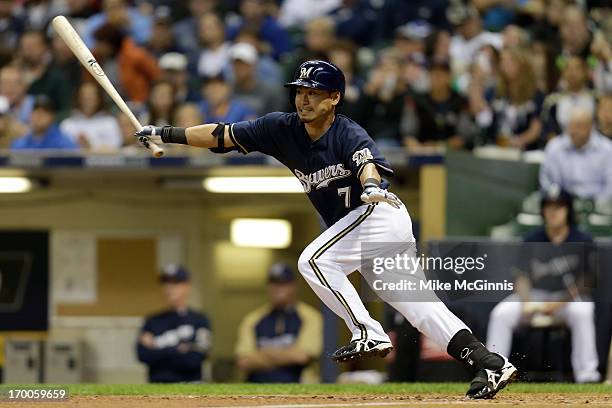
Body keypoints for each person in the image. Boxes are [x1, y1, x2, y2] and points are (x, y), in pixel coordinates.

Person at [136, 59, 517, 399]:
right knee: (420, 310)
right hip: (362, 233)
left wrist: (369, 185)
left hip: (379, 215)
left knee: (313, 261)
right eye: (299, 92)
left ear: (334, 97)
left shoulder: (347, 132)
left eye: (313, 93)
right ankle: (491, 362)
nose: (303, 99)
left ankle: (367, 330)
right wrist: (166, 133)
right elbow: (221, 134)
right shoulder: (279, 129)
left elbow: (368, 164)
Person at [487, 188, 601, 383]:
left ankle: (587, 375)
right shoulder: (532, 239)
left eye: (559, 207)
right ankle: (492, 373)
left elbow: (586, 280)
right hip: (536, 295)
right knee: (501, 313)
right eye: (549, 207)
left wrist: (559, 303)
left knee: (583, 311)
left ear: (568, 211)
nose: (554, 212)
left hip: (568, 298)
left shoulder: (582, 239)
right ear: (542, 211)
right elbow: (521, 278)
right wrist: (526, 301)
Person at [235, 263, 323, 383]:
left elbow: (302, 357)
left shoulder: (310, 316)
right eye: (274, 283)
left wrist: (264, 354)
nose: (278, 288)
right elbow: (243, 361)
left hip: (298, 386)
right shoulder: (253, 319)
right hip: (256, 387)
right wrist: (287, 355)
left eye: (283, 284)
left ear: (294, 286)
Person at [137, 264, 212, 383]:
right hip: (158, 385)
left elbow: (196, 358)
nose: (169, 288)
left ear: (187, 286)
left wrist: (157, 348)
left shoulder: (199, 320)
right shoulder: (153, 320)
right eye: (166, 284)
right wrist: (178, 350)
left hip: (191, 385)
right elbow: (143, 356)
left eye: (175, 283)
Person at [540, 107, 612, 200]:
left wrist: (598, 204)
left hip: (597, 205)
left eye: (578, 127)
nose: (573, 131)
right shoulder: (555, 147)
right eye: (571, 126)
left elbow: (609, 187)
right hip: (563, 204)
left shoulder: (607, 150)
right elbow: (547, 181)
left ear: (590, 127)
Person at [93, 23, 161, 104]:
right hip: (108, 105)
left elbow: (156, 76)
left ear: (109, 44)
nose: (97, 47)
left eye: (100, 44)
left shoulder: (135, 56)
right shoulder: (98, 58)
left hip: (136, 103)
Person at [60, 82, 122, 150]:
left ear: (99, 99)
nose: (88, 99)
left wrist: (91, 147)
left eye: (91, 96)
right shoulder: (67, 124)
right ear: (78, 98)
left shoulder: (110, 123)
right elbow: (62, 150)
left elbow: (116, 148)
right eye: (84, 96)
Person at [229, 42, 284, 116]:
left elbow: (277, 119)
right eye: (236, 64)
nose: (239, 68)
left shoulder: (270, 91)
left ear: (254, 65)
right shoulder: (228, 90)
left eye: (244, 64)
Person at [11, 95, 77, 150]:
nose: (39, 116)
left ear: (52, 117)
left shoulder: (63, 143)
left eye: (44, 112)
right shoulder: (20, 144)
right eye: (36, 112)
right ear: (30, 115)